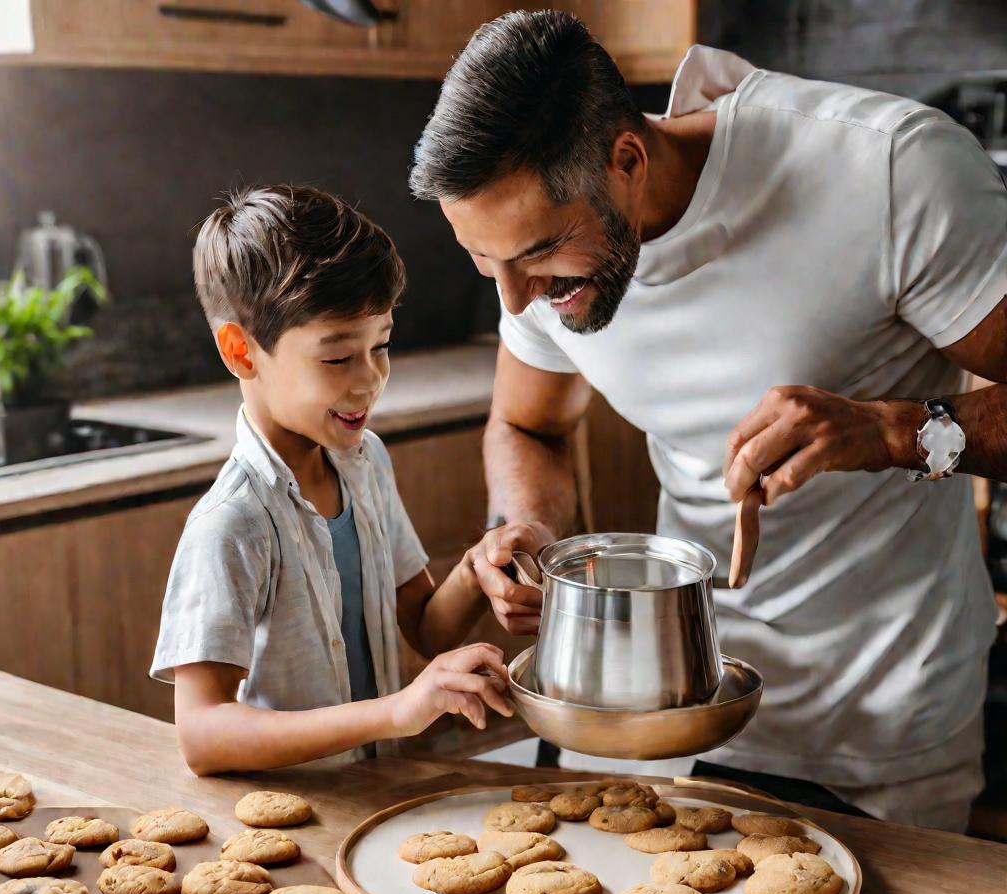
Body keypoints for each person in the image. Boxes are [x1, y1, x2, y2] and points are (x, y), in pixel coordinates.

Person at [410, 11, 1007, 831]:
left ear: (628, 159)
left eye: (541, 254)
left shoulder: (891, 169)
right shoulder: (540, 267)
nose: (515, 300)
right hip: (652, 709)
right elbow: (528, 426)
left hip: (875, 727)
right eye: (485, 260)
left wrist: (893, 432)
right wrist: (530, 529)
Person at [151, 185, 512, 775]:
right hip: (290, 815)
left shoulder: (365, 462)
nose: (370, 380)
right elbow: (202, 733)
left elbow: (422, 623)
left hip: (370, 794)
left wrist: (476, 569)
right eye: (338, 358)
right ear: (242, 352)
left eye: (383, 345)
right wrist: (396, 711)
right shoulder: (234, 521)